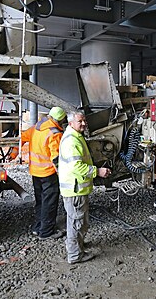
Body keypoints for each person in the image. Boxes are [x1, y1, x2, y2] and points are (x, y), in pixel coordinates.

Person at [58, 111, 111, 264]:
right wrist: (97, 171)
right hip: (75, 189)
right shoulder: (71, 141)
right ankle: (75, 255)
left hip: (77, 188)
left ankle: (75, 245)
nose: (83, 123)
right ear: (70, 123)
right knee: (77, 222)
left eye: (84, 120)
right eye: (80, 121)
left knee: (77, 220)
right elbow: (77, 166)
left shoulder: (75, 136)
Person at [21, 106, 67, 239]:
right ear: (60, 120)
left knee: (40, 201)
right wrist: (62, 174)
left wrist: (12, 154)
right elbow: (56, 158)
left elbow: (22, 137)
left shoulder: (36, 127)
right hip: (48, 173)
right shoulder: (55, 133)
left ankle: (38, 227)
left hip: (35, 172)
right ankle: (46, 232)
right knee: (50, 202)